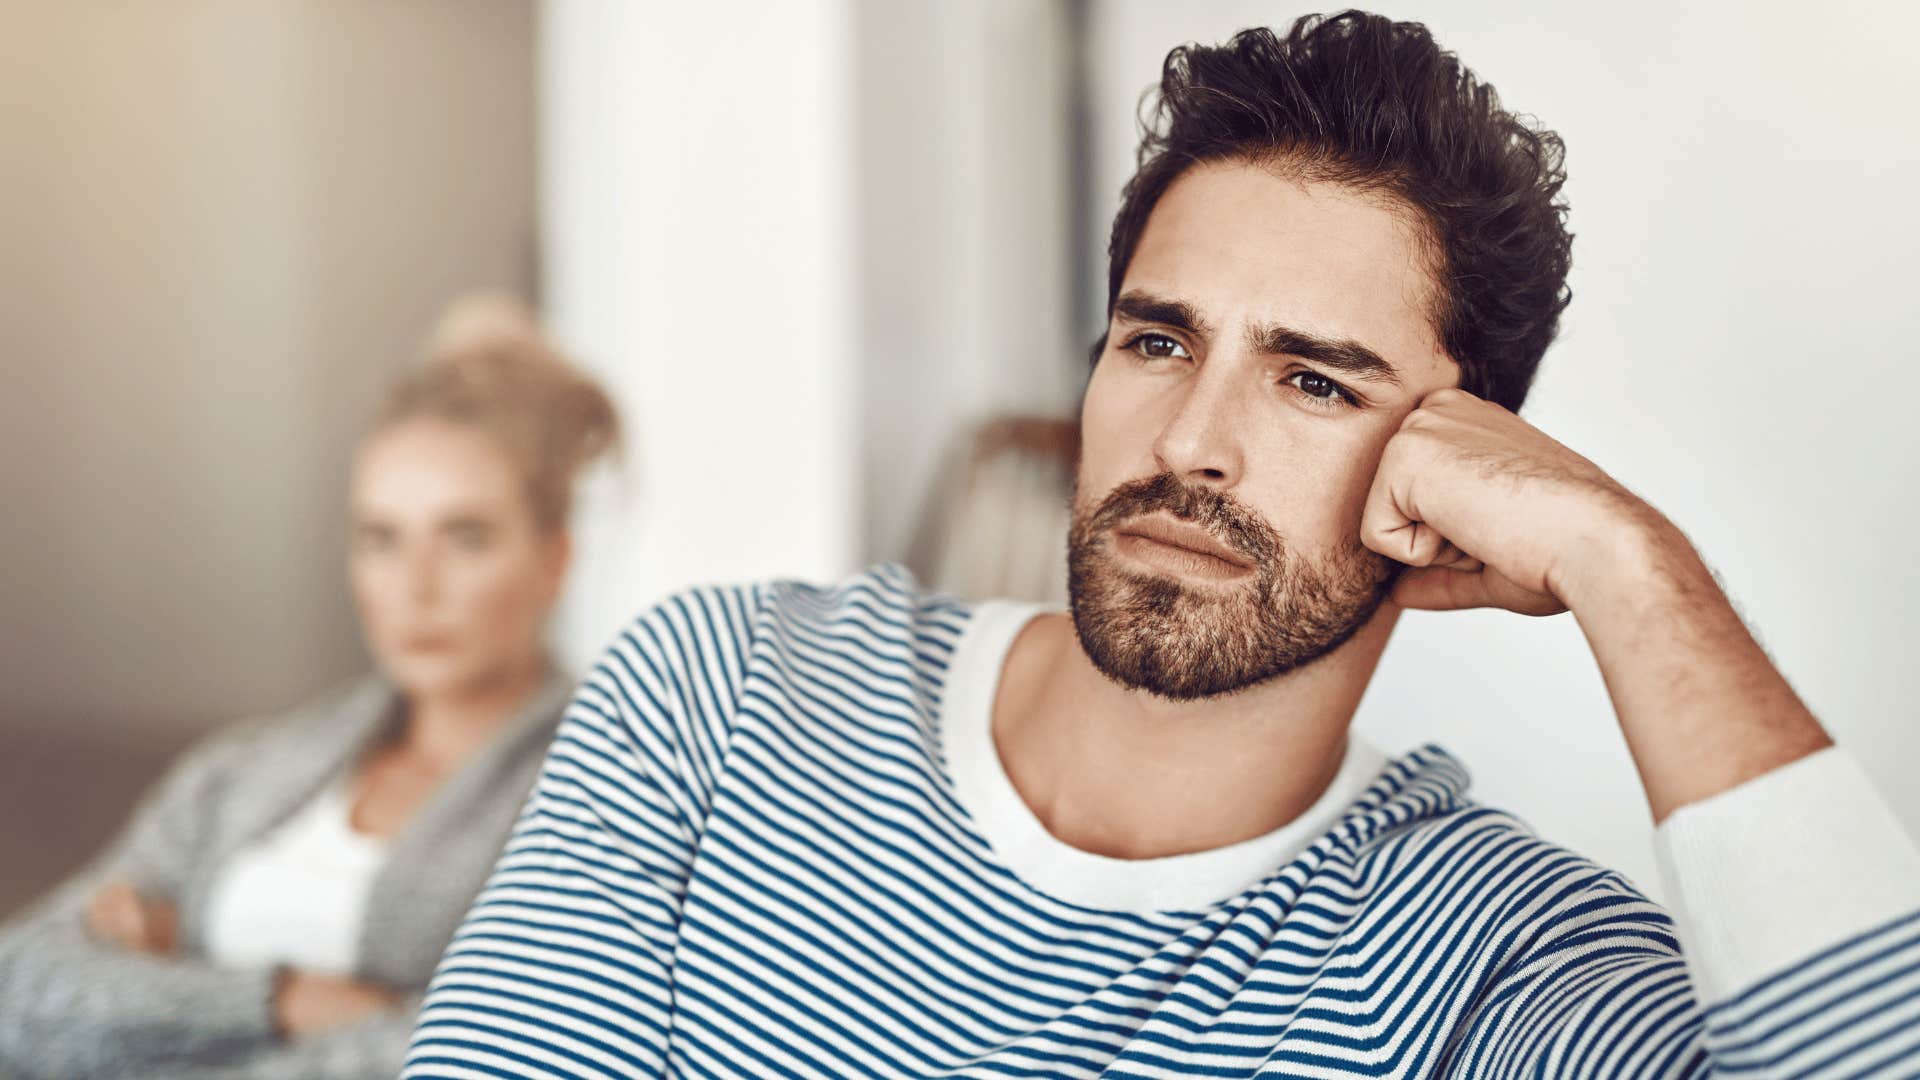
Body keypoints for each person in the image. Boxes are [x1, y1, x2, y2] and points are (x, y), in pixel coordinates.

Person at [400, 13, 1920, 1080]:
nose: (1193, 438)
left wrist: (1627, 564)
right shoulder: (722, 689)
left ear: (1460, 470)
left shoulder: (1498, 967)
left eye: (1313, 379)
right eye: (1156, 342)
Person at [0, 296, 620, 1079]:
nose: (415, 587)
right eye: (380, 540)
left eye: (466, 538)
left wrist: (159, 984)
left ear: (553, 559)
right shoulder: (244, 769)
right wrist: (285, 1001)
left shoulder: (595, 795)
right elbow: (20, 985)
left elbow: (498, 1053)